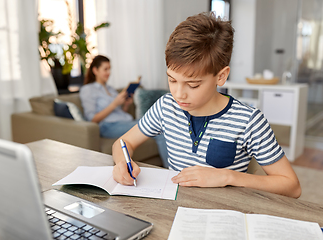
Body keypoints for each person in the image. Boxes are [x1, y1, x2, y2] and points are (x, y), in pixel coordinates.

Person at [111, 12, 301, 198]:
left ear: (221, 76)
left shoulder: (249, 121)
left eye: (193, 84)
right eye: (172, 80)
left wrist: (228, 176)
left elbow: (291, 186)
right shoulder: (165, 107)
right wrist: (122, 163)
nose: (178, 94)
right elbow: (123, 143)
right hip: (174, 210)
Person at [79, 55, 169, 167]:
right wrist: (114, 103)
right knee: (158, 127)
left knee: (159, 125)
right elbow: (92, 118)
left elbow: (121, 113)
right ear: (95, 70)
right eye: (105, 69)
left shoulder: (110, 88)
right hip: (107, 126)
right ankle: (171, 170)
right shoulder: (87, 90)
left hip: (123, 122)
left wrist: (126, 104)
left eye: (109, 68)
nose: (109, 72)